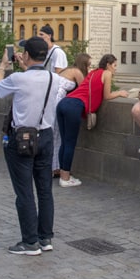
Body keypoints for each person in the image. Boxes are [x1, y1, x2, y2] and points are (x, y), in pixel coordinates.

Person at [0, 36, 63, 255]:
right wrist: (26, 66)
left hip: (22, 138)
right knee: (45, 191)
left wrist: (3, 66)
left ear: (26, 55)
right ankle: (45, 238)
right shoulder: (54, 78)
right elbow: (37, 78)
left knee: (24, 192)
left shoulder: (18, 79)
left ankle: (29, 242)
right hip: (46, 136)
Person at [56, 54, 128, 187]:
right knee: (70, 142)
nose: (115, 69)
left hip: (63, 103)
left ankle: (63, 174)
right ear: (108, 65)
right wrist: (120, 93)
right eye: (115, 65)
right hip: (74, 106)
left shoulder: (93, 72)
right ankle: (65, 178)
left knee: (64, 142)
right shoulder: (107, 73)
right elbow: (107, 96)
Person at [52, 53, 91, 177]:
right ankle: (56, 168)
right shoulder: (77, 72)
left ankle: (54, 167)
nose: (89, 67)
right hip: (59, 100)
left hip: (55, 100)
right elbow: (85, 88)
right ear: (83, 64)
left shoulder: (67, 70)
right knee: (58, 136)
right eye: (89, 65)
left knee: (55, 135)